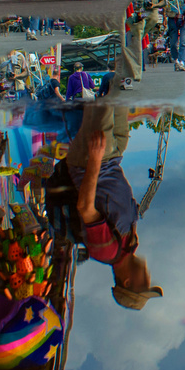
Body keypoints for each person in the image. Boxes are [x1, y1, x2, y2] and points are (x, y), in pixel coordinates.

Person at [63, 106, 163, 311]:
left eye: (144, 283)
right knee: (120, 92)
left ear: (127, 282)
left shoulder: (106, 250)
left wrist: (95, 159)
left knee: (108, 101)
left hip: (93, 161)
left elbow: (85, 208)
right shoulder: (129, 243)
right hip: (112, 158)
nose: (148, 276)